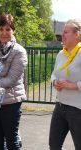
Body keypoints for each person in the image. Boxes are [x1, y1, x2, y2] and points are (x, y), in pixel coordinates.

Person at [0, 14, 28, 150]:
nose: (4, 33)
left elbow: (11, 79)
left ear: (13, 30)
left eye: (8, 29)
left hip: (11, 100)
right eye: (1, 29)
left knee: (11, 139)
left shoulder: (19, 52)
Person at [49, 19, 81, 150]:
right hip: (60, 106)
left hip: (78, 109)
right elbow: (53, 74)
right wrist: (54, 82)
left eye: (66, 32)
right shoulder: (61, 53)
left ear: (77, 34)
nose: (62, 35)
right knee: (54, 145)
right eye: (62, 32)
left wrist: (72, 86)